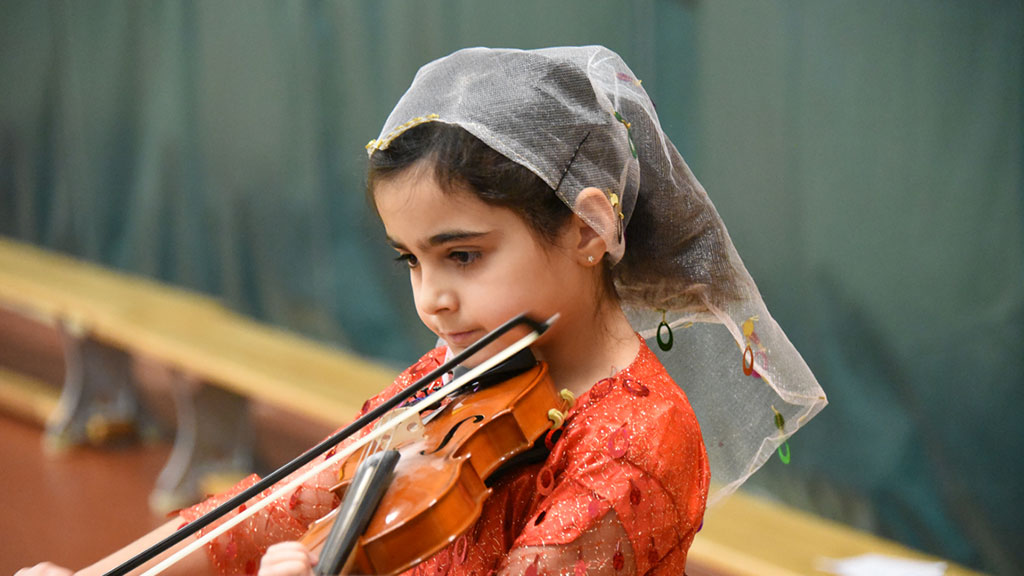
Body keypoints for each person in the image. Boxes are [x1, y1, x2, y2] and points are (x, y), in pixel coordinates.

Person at [16, 46, 825, 576]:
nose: (431, 298)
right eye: (412, 260)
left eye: (462, 255)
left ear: (588, 229)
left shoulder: (635, 447)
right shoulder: (474, 377)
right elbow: (269, 508)